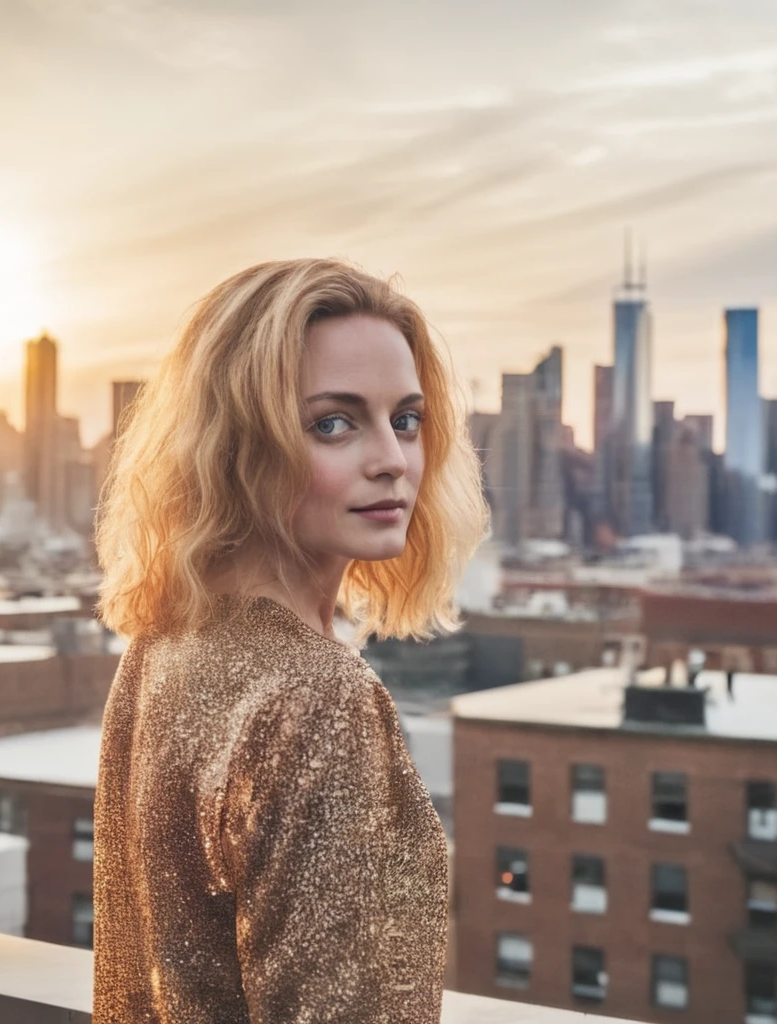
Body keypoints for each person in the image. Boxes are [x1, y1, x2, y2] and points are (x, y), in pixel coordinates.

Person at [91, 258, 489, 1023]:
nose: (392, 460)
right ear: (239, 446)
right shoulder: (319, 697)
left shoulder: (168, 641)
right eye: (333, 423)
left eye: (405, 419)